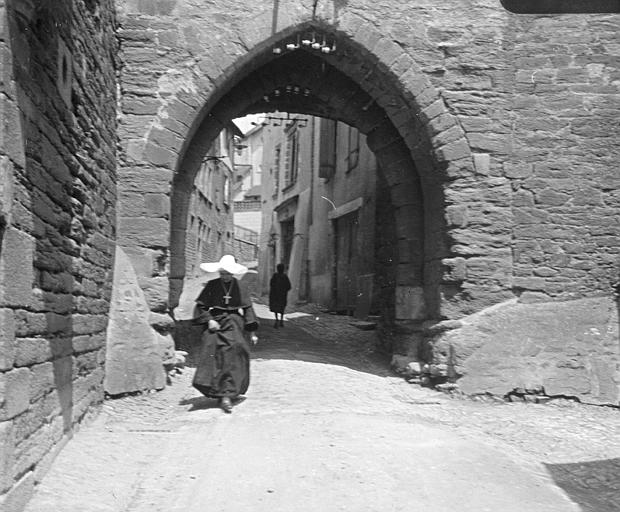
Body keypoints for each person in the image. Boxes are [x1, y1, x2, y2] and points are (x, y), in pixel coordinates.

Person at [192, 255, 259, 413]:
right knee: (213, 355)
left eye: (228, 274)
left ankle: (227, 394)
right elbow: (201, 306)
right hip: (216, 323)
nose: (225, 276)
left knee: (234, 356)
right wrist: (209, 320)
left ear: (233, 273)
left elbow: (248, 309)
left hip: (235, 324)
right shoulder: (212, 285)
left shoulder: (240, 286)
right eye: (223, 273)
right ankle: (217, 391)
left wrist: (252, 333)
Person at [269, 263, 291, 328]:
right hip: (282, 296)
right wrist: (284, 291)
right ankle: (281, 320)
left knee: (276, 308)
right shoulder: (285, 276)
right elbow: (289, 286)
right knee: (282, 308)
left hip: (275, 295)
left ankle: (276, 320)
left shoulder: (275, 275)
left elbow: (271, 284)